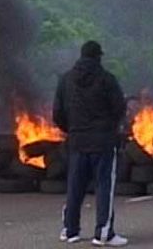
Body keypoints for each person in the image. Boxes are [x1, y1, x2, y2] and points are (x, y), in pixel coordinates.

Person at [53, 41, 128, 247]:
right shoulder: (107, 79)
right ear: (98, 57)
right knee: (104, 186)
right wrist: (109, 128)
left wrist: (73, 130)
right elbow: (119, 109)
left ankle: (70, 231)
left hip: (77, 141)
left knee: (75, 186)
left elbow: (57, 114)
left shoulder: (66, 80)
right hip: (102, 142)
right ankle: (103, 234)